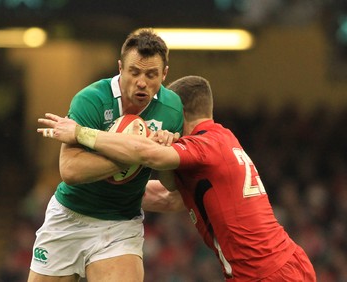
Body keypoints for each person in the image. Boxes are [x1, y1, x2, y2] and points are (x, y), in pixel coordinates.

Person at [37, 75, 316, 281]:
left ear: (179, 112)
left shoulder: (202, 146)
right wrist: (107, 189)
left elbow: (150, 155)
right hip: (284, 262)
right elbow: (169, 198)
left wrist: (80, 133)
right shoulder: (223, 138)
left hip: (263, 272)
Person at [28, 28, 184, 282]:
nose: (141, 82)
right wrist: (138, 151)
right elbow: (70, 171)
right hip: (70, 216)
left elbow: (170, 183)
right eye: (134, 72)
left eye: (151, 74)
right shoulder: (91, 100)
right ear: (120, 68)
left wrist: (166, 153)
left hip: (121, 223)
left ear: (164, 74)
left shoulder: (172, 109)